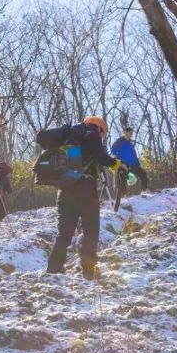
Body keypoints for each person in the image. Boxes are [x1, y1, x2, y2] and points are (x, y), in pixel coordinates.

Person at [45, 115, 118, 279]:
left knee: (64, 234)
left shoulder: (69, 137)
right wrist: (116, 163)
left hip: (65, 190)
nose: (102, 136)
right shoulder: (91, 133)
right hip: (86, 190)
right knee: (91, 232)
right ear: (100, 128)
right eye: (103, 133)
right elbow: (100, 157)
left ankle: (53, 270)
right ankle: (88, 271)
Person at [109, 125, 149, 208]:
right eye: (128, 133)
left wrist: (137, 163)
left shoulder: (130, 144)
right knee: (121, 180)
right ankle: (123, 198)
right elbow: (113, 151)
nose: (130, 134)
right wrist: (115, 161)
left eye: (131, 133)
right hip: (123, 164)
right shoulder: (119, 142)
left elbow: (133, 155)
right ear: (124, 133)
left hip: (133, 165)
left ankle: (144, 190)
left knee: (143, 173)